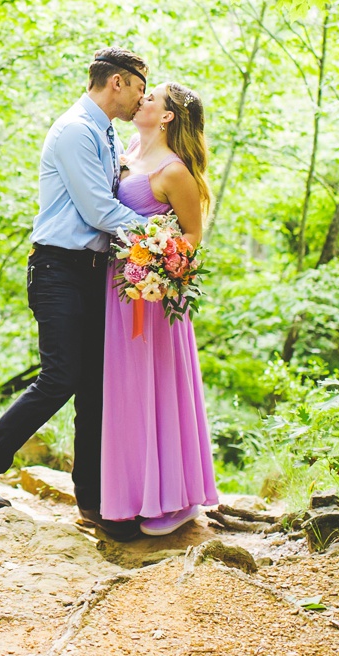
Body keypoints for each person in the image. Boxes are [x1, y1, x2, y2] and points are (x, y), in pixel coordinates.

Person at [0, 47, 150, 542]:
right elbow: (100, 210)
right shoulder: (75, 131)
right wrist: (163, 234)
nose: (141, 100)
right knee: (60, 376)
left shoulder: (105, 132)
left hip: (94, 271)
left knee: (95, 387)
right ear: (118, 83)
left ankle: (96, 504)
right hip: (59, 268)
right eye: (139, 89)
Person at [100, 82, 219, 535]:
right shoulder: (129, 147)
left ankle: (174, 498)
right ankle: (128, 495)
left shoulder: (175, 172)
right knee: (124, 395)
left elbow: (191, 236)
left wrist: (158, 262)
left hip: (152, 299)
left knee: (155, 391)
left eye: (151, 98)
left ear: (167, 116)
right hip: (119, 291)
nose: (140, 100)